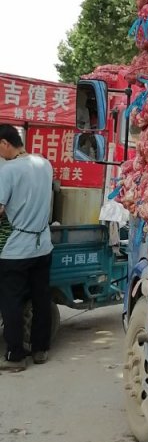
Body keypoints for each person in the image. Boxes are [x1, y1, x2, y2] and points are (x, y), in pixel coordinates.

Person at [0, 125, 54, 371]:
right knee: (41, 298)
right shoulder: (44, 164)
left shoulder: (8, 170)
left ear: (4, 143)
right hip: (43, 245)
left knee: (11, 301)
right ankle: (40, 349)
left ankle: (16, 356)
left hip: (17, 250)